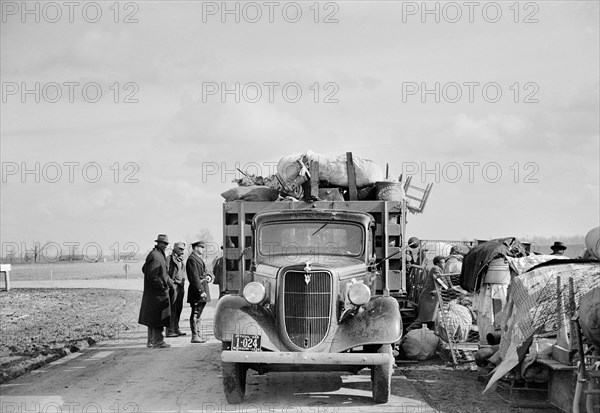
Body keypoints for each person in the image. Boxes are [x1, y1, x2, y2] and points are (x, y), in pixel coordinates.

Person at [139, 234, 173, 349]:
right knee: (158, 318)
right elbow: (152, 276)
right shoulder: (156, 256)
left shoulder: (157, 254)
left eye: (166, 244)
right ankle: (158, 342)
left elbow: (145, 269)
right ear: (158, 243)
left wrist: (166, 280)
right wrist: (162, 286)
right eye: (163, 243)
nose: (165, 245)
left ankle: (151, 341)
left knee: (152, 318)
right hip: (157, 294)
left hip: (154, 293)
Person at [408, 256, 448, 331]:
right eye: (443, 262)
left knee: (430, 320)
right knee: (424, 320)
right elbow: (441, 281)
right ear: (437, 263)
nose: (444, 264)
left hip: (432, 298)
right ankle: (408, 331)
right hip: (429, 298)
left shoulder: (439, 269)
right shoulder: (435, 269)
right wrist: (448, 286)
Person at [187, 240, 211, 343]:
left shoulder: (197, 259)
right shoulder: (192, 260)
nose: (203, 249)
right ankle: (195, 336)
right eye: (201, 247)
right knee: (196, 313)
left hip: (202, 288)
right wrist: (201, 291)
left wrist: (208, 277)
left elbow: (203, 273)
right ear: (196, 247)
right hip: (197, 291)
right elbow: (194, 278)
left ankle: (198, 334)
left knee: (198, 314)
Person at [166, 242, 187, 337]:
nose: (182, 251)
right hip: (173, 286)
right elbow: (165, 273)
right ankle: (170, 330)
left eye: (183, 249)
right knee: (172, 309)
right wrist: (171, 284)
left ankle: (176, 328)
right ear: (175, 249)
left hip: (180, 286)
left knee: (179, 308)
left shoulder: (181, 260)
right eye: (180, 249)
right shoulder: (169, 259)